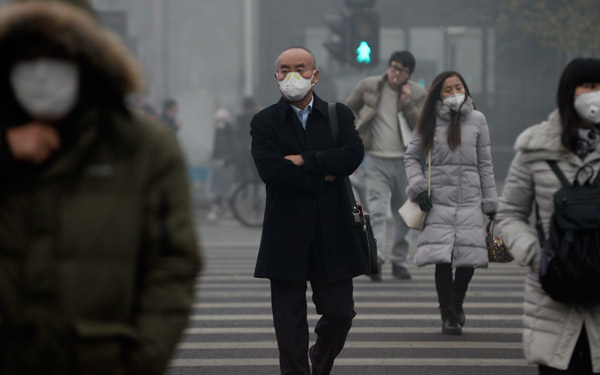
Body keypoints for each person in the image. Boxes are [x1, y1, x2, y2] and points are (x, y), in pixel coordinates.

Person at [0, 1, 201, 374]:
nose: (42, 72)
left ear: (89, 61)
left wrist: (140, 362)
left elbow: (173, 265)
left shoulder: (143, 148)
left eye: (58, 56)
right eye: (27, 57)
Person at [250, 46, 366, 375]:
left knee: (341, 313)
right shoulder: (265, 122)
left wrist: (305, 161)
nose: (292, 75)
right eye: (284, 69)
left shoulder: (337, 114)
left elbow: (352, 156)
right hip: (285, 233)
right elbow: (271, 172)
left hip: (334, 231)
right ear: (275, 77)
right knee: (289, 328)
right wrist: (324, 174)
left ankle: (322, 357)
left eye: (300, 68)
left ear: (315, 75)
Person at [496, 58, 600, 374]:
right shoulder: (535, 146)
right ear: (570, 92)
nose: (597, 95)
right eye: (590, 86)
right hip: (552, 293)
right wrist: (536, 254)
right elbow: (509, 213)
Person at [404, 71, 498, 335]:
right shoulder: (428, 121)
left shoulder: (478, 120)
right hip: (437, 202)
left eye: (458, 87)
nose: (455, 92)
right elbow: (411, 157)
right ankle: (447, 313)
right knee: (442, 259)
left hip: (469, 200)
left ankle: (457, 301)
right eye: (448, 89)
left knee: (468, 259)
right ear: (438, 93)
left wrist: (490, 200)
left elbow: (485, 163)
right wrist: (418, 187)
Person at [345, 50, 427, 281]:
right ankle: (376, 259)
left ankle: (399, 262)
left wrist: (407, 102)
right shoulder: (369, 85)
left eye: (401, 70)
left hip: (406, 161)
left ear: (409, 73)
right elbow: (348, 107)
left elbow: (422, 125)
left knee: (404, 214)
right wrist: (356, 128)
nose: (395, 73)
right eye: (393, 67)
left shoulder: (418, 93)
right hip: (375, 158)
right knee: (377, 210)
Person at [206, 108, 236, 222]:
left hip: (227, 163)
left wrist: (226, 159)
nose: (219, 122)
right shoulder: (218, 130)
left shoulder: (231, 131)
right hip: (218, 161)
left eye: (220, 119)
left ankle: (218, 208)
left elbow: (234, 148)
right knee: (220, 186)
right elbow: (215, 145)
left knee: (224, 187)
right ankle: (225, 208)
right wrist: (213, 157)